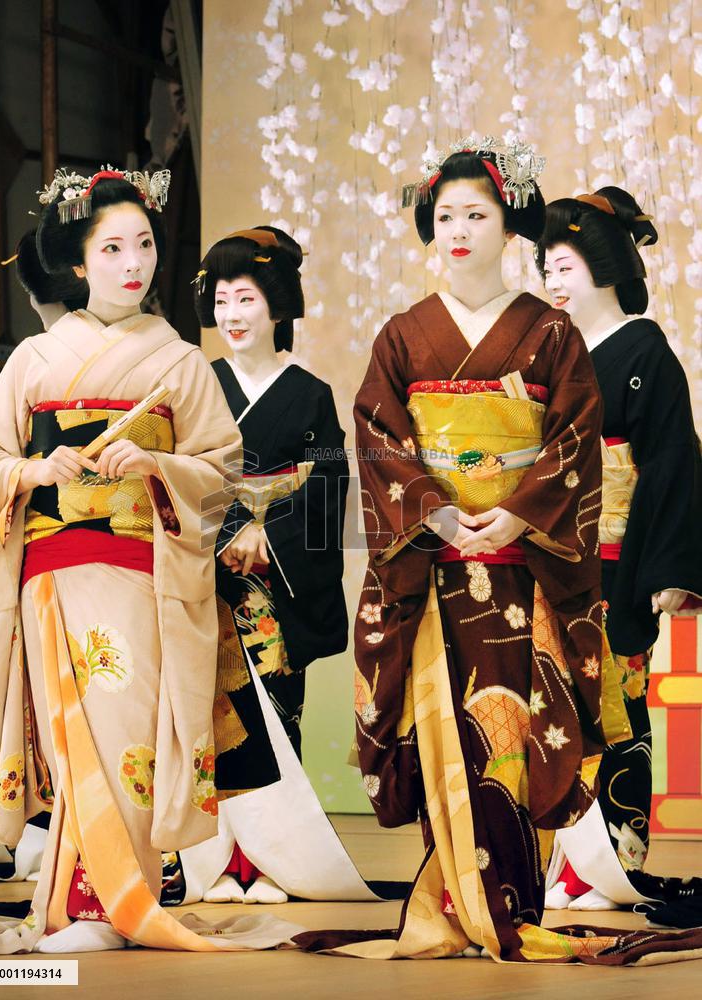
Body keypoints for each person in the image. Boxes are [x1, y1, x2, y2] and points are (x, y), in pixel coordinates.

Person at [294, 136, 702, 964]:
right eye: (444, 216)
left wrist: (519, 513)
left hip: (526, 572)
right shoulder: (403, 336)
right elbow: (375, 437)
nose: (458, 229)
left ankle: (511, 898)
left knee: (517, 734)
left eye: (477, 214)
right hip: (438, 565)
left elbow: (578, 442)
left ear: (508, 225)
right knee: (447, 730)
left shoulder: (551, 337)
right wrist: (438, 514)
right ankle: (453, 898)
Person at [0, 168, 296, 954]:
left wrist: (156, 469)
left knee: (126, 730)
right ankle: (77, 907)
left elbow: (221, 467)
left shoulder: (177, 362)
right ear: (79, 265)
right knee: (76, 732)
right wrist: (39, 471)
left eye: (143, 244)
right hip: (54, 569)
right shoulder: (37, 359)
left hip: (143, 571)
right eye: (111, 248)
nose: (133, 262)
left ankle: (117, 901)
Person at [172, 227, 393, 906]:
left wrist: (269, 539)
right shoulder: (196, 384)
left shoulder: (309, 393)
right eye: (223, 299)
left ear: (277, 306)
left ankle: (268, 861)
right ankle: (208, 861)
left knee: (274, 713)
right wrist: (225, 534)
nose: (233, 314)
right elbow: (177, 476)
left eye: (247, 298)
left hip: (276, 589)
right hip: (205, 583)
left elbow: (329, 486)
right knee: (204, 718)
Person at [536, 189, 702, 919]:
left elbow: (671, 464)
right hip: (549, 555)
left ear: (603, 266)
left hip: (616, 559)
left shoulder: (645, 352)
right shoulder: (545, 355)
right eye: (547, 265)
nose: (554, 279)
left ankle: (613, 866)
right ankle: (560, 867)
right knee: (549, 707)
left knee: (618, 710)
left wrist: (670, 570)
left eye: (566, 263)